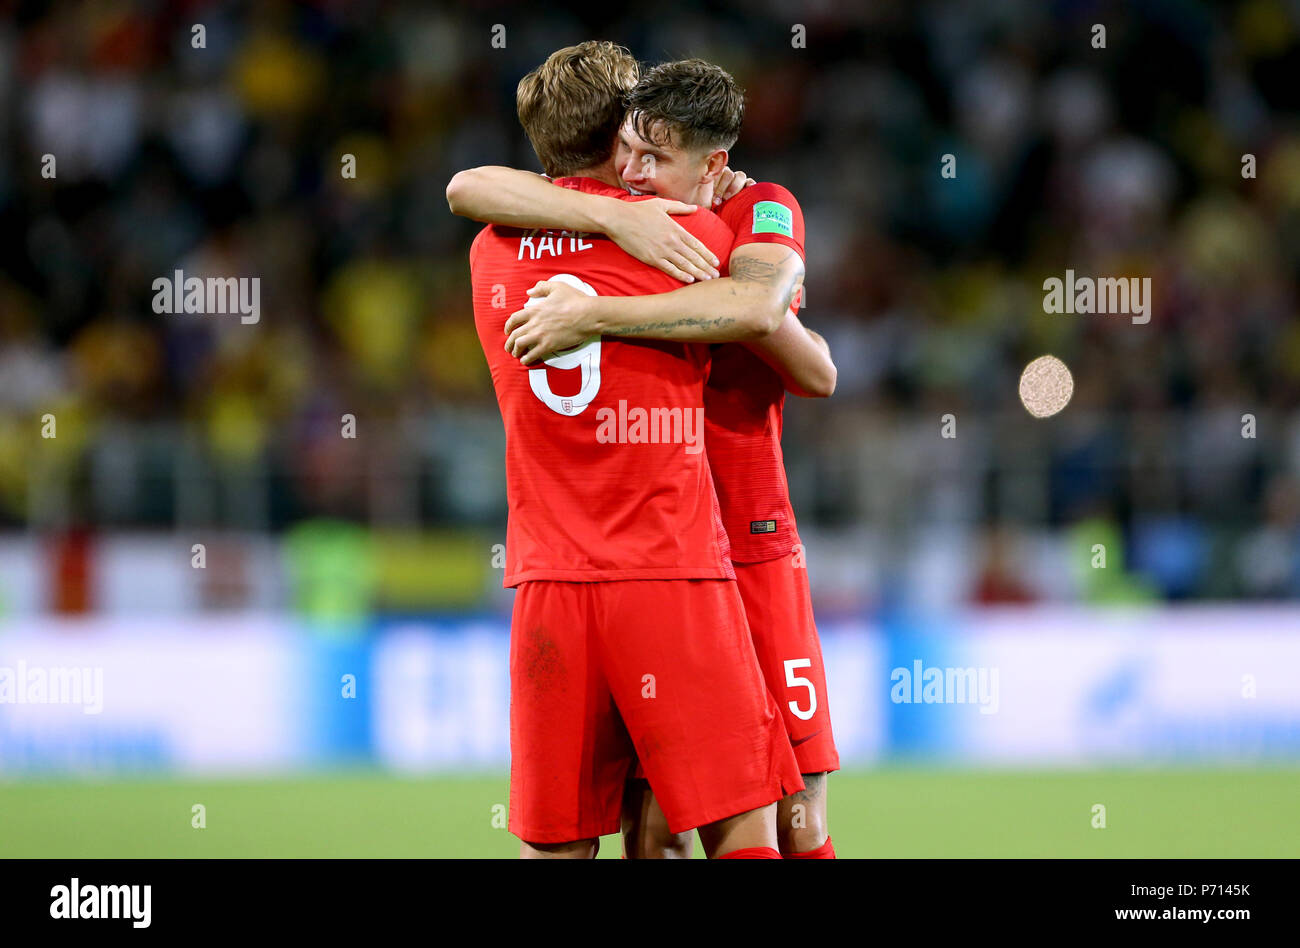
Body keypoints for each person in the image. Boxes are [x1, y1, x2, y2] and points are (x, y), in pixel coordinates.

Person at [450, 58, 839, 858]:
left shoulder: (755, 210)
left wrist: (596, 313)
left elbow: (803, 355)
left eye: (656, 154)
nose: (637, 170)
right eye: (629, 148)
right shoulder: (678, 234)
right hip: (677, 562)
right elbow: (469, 184)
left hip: (742, 544)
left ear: (713, 161)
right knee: (665, 829)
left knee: (799, 816)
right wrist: (618, 222)